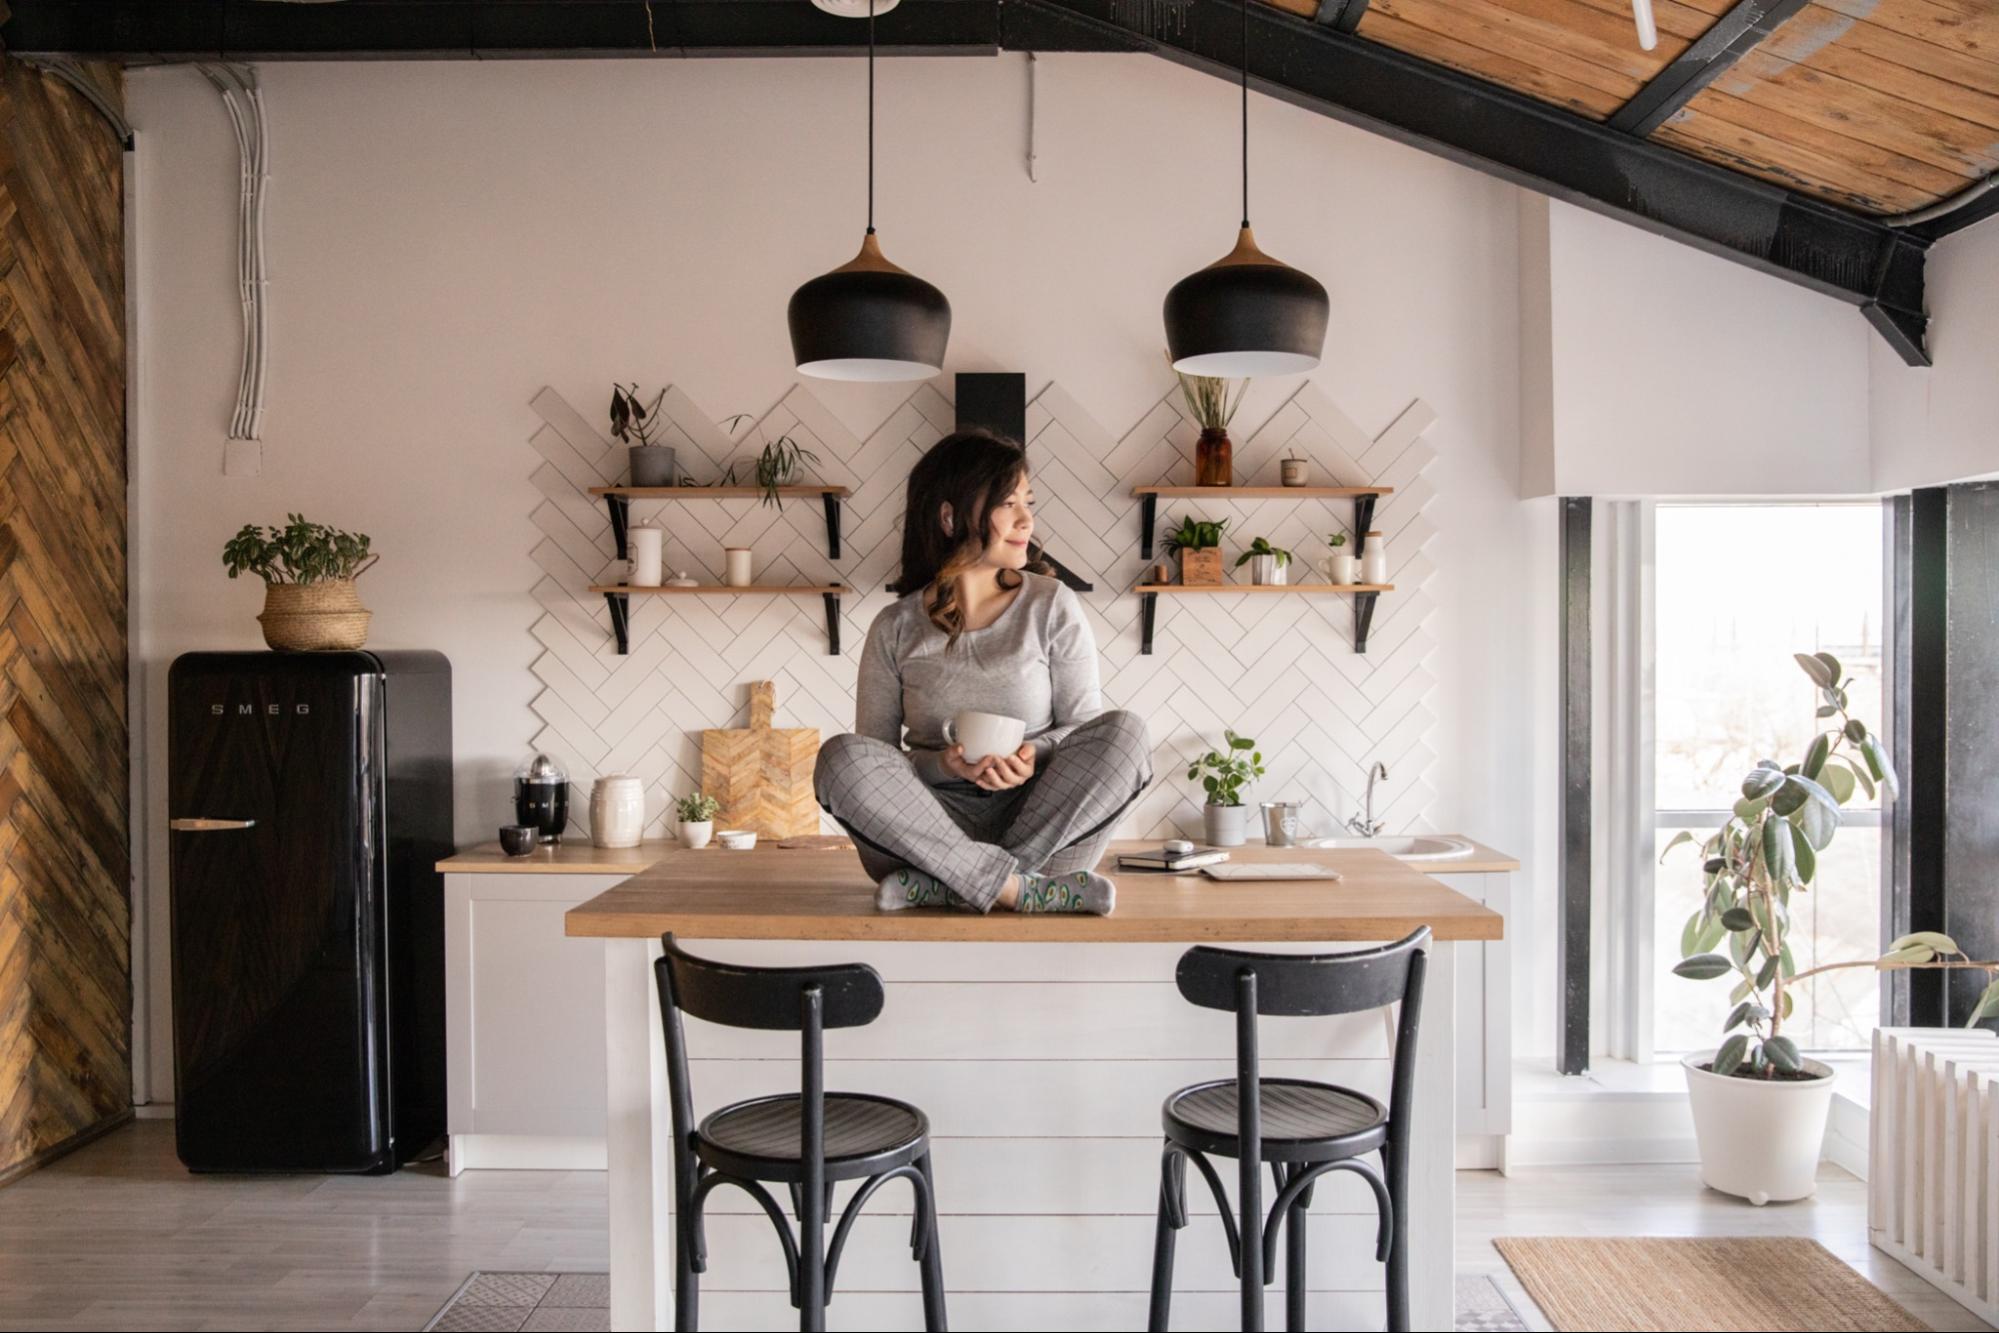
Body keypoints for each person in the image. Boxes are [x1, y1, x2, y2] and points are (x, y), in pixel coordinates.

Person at [813, 429, 1152, 914]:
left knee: (1126, 734)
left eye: (1027, 502)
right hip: (928, 830)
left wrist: (1033, 753)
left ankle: (959, 885)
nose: (1027, 520)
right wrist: (941, 764)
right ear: (950, 516)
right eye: (1007, 503)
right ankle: (1019, 891)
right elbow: (877, 761)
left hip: (1039, 825)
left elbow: (1085, 730)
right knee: (840, 757)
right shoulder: (895, 627)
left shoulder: (1051, 604)